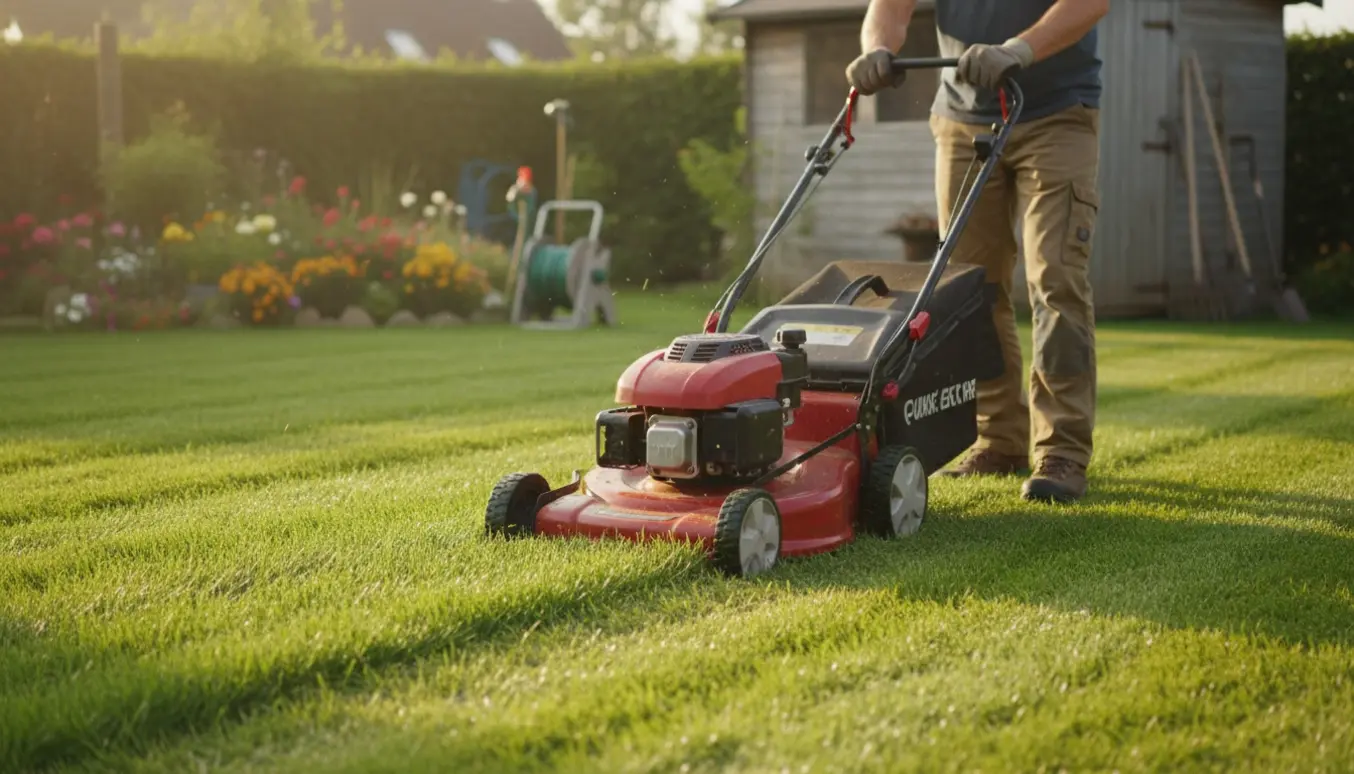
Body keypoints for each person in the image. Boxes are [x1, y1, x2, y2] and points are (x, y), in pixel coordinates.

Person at [846, 0, 1109, 504]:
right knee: (970, 289)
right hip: (962, 122)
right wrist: (877, 48)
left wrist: (1020, 49)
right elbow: (891, 6)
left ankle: (1063, 451)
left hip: (1056, 115)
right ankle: (999, 440)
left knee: (1056, 280)